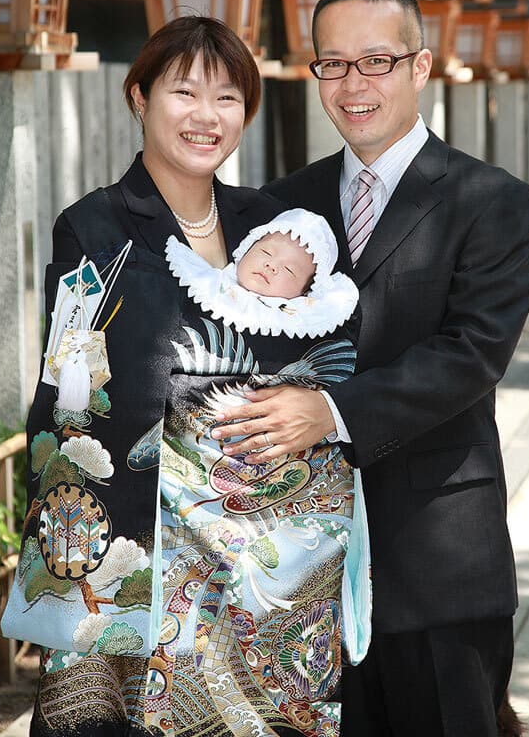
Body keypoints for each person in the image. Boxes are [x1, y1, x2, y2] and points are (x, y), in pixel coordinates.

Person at [212, 0, 529, 737]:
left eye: (376, 61)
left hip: (437, 556)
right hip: (294, 571)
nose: (352, 84)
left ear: (420, 67)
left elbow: (473, 352)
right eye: (333, 63)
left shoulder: (490, 200)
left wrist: (330, 411)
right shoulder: (278, 205)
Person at [1, 15, 286, 737]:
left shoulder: (270, 225)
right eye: (184, 92)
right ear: (140, 97)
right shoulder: (95, 227)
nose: (206, 115)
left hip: (248, 545)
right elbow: (72, 393)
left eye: (227, 98)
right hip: (131, 535)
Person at [147, 208, 368, 735]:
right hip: (192, 486)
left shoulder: (315, 326)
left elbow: (331, 384)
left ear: (309, 290)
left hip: (286, 495)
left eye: (288, 269)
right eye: (264, 253)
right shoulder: (199, 292)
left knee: (280, 625)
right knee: (183, 631)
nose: (270, 267)